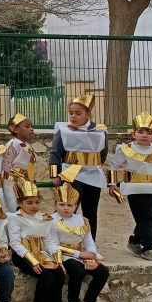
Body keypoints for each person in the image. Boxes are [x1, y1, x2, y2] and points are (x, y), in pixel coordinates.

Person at [107, 111, 152, 261]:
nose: (144, 135)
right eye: (140, 132)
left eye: (149, 132)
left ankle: (135, 241)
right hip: (134, 188)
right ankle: (148, 247)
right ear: (133, 134)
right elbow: (113, 165)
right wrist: (112, 184)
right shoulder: (126, 149)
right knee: (147, 217)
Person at [49, 93, 108, 239]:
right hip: (71, 173)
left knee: (91, 211)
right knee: (68, 207)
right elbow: (55, 152)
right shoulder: (63, 130)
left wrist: (94, 164)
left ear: (88, 114)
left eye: (78, 113)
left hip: (92, 174)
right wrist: (54, 173)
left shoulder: (100, 131)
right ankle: (65, 240)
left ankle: (90, 243)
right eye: (71, 113)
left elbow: (103, 153)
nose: (73, 116)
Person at [7, 176, 65, 302]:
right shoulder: (15, 218)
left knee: (59, 273)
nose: (34, 206)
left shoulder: (44, 218)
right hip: (22, 255)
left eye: (37, 202)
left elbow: (48, 240)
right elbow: (15, 243)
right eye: (29, 203)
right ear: (19, 203)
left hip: (40, 253)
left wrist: (57, 257)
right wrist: (32, 261)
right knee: (46, 275)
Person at [49, 180, 108, 302]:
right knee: (77, 271)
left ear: (75, 206)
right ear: (55, 204)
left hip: (82, 254)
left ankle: (89, 301)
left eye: (70, 205)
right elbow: (54, 245)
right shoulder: (51, 221)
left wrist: (91, 255)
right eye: (62, 204)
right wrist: (80, 254)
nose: (66, 208)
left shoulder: (82, 220)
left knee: (102, 272)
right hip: (63, 255)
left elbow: (88, 240)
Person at [1, 113, 36, 214]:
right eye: (27, 126)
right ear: (16, 130)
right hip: (12, 184)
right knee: (15, 210)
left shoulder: (28, 145)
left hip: (25, 182)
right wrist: (22, 176)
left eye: (31, 126)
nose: (31, 129)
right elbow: (5, 165)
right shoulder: (13, 144)